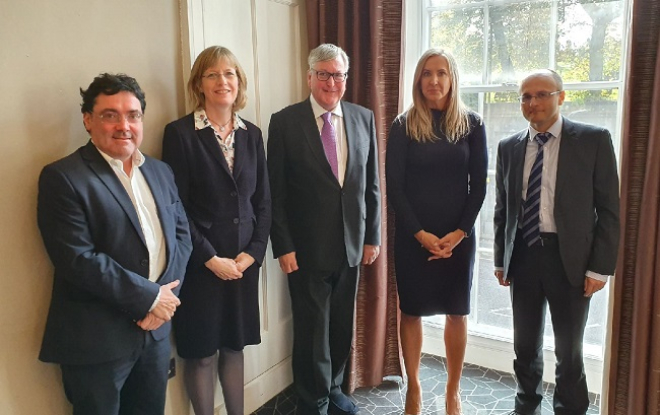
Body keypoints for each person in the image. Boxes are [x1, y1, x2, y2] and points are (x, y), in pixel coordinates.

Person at [37, 73, 193, 415]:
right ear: (88, 120)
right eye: (110, 115)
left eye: (133, 115)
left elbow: (182, 238)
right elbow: (78, 259)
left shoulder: (161, 172)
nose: (124, 125)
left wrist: (165, 301)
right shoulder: (63, 178)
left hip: (154, 337)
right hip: (97, 342)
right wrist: (151, 299)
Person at [493, 69, 620, 415]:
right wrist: (500, 260)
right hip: (524, 257)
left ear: (561, 97)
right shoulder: (509, 148)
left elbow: (609, 211)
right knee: (525, 345)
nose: (532, 102)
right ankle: (526, 403)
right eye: (525, 96)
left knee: (569, 349)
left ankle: (570, 408)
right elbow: (503, 208)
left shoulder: (593, 141)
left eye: (541, 94)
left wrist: (600, 267)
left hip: (572, 261)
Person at [267, 43, 381, 415]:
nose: (332, 82)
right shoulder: (285, 122)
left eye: (339, 75)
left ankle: (333, 389)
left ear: (346, 78)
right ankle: (311, 400)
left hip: (351, 245)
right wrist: (282, 245)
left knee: (339, 326)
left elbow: (371, 185)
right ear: (310, 77)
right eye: (324, 74)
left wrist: (372, 236)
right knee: (312, 330)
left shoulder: (363, 118)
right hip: (305, 249)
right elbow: (276, 192)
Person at [161, 46, 271, 415]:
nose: (222, 81)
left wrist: (253, 252)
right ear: (199, 83)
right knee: (203, 354)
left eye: (229, 74)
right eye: (212, 74)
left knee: (234, 348)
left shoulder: (252, 133)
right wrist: (210, 258)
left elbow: (264, 202)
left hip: (242, 263)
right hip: (201, 266)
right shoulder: (179, 134)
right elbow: (177, 208)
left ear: (238, 82)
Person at [386, 49, 488, 415]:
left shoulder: (473, 124)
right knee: (410, 311)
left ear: (452, 78)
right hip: (414, 237)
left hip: (458, 237)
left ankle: (452, 391)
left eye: (441, 73)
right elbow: (394, 187)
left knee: (456, 313)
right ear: (418, 80)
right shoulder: (403, 125)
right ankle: (414, 388)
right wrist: (420, 234)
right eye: (426, 73)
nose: (433, 80)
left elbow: (478, 186)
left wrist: (460, 233)